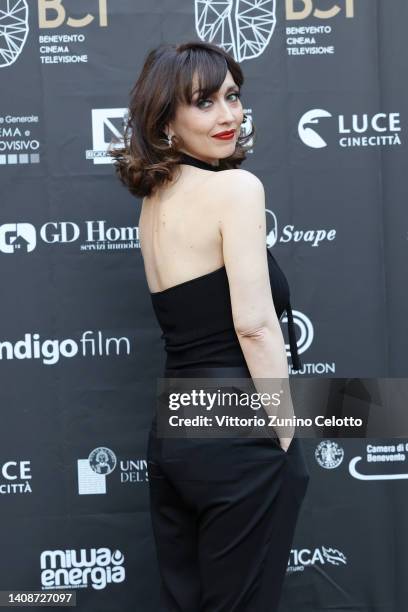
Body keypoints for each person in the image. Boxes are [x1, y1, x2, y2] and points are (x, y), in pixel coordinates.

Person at [110, 40, 310, 612]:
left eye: (233, 95)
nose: (228, 115)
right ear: (166, 121)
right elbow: (254, 326)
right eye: (204, 102)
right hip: (237, 423)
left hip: (175, 424)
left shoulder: (155, 198)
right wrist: (285, 432)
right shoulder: (235, 190)